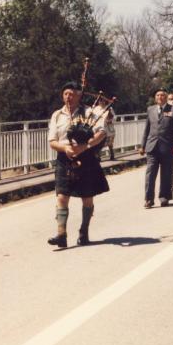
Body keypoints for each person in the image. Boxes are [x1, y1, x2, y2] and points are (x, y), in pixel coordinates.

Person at [47, 81, 109, 248]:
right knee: (61, 196)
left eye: (72, 94)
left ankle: (84, 231)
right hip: (64, 158)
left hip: (86, 157)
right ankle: (61, 234)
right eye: (66, 94)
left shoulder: (89, 112)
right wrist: (65, 148)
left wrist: (84, 146)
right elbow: (52, 141)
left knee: (87, 197)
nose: (69, 97)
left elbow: (102, 132)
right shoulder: (57, 115)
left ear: (79, 96)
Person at [140, 89, 173, 208]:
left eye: (162, 95)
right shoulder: (150, 109)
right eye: (158, 95)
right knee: (150, 174)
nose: (160, 97)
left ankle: (164, 197)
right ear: (155, 97)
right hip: (152, 147)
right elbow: (146, 129)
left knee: (166, 174)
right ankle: (148, 199)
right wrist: (142, 145)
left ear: (166, 97)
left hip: (167, 147)